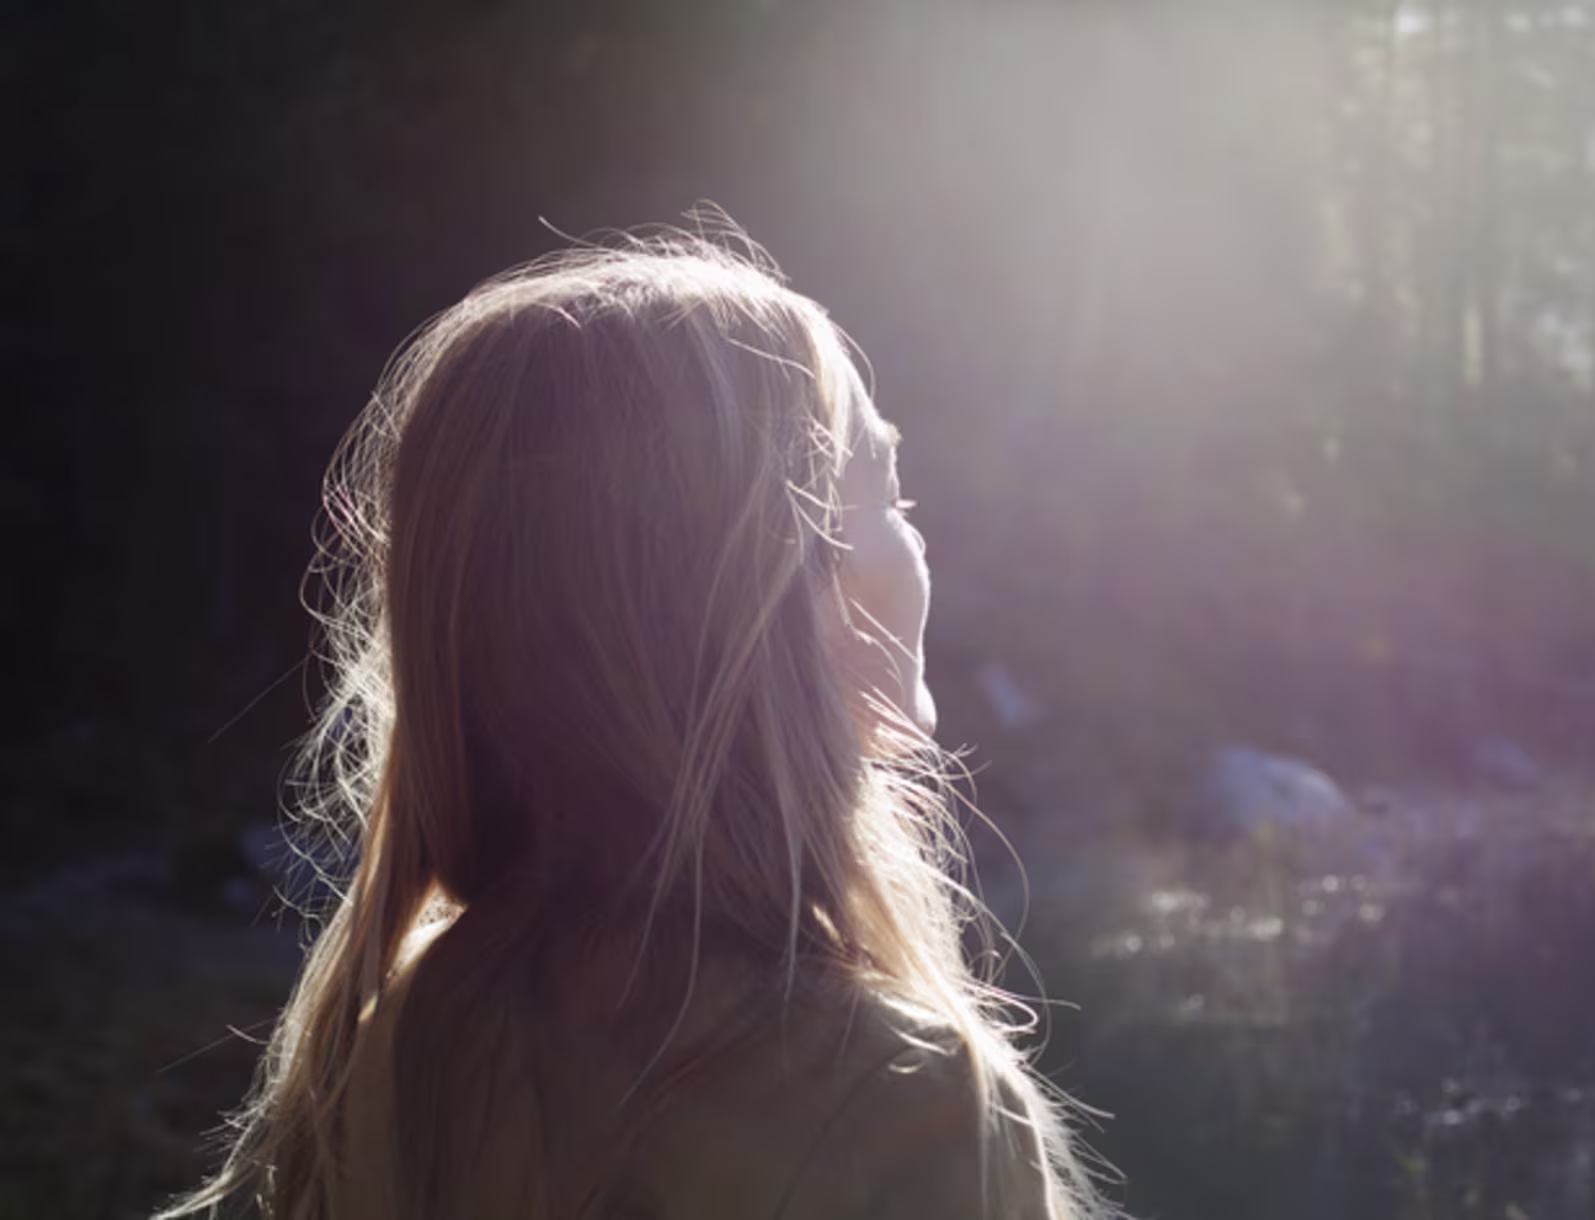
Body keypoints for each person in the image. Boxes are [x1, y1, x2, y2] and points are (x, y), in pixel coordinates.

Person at [160, 229, 1114, 1219]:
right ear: (790, 587)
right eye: (892, 494)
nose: (919, 540)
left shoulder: (388, 1044)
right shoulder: (908, 1100)